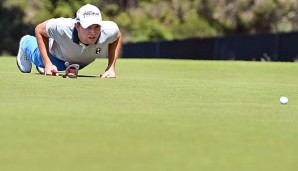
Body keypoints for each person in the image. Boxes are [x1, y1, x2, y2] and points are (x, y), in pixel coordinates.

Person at [16, 4, 122, 78]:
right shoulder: (62, 26)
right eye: (88, 27)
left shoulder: (109, 29)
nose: (93, 32)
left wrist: (110, 67)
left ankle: (46, 66)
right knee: (38, 57)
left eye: (96, 27)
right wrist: (47, 63)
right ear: (77, 25)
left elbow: (117, 36)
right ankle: (25, 42)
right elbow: (39, 29)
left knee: (56, 68)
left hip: (77, 63)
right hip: (56, 56)